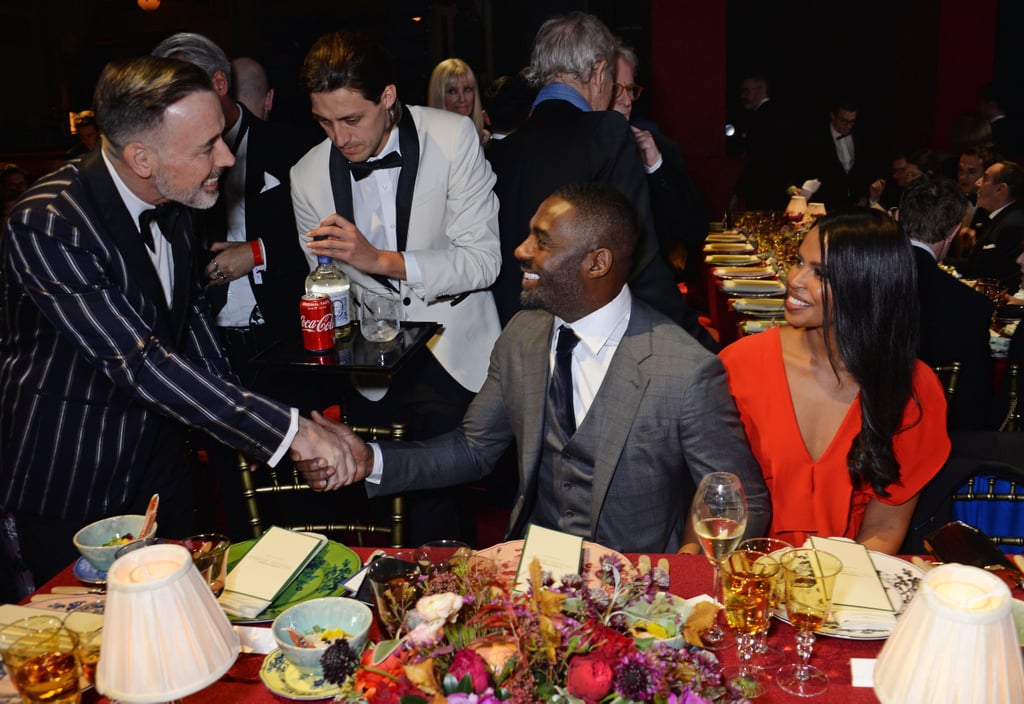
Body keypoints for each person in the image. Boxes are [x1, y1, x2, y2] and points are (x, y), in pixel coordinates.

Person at [0, 55, 348, 586]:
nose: (227, 157)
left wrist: (260, 435)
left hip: (162, 467)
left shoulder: (179, 198)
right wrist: (286, 433)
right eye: (207, 145)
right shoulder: (48, 222)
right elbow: (138, 362)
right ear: (141, 157)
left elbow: (194, 332)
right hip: (70, 478)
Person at [294, 182, 770, 554]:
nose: (520, 250)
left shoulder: (684, 370)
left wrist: (687, 568)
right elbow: (473, 449)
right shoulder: (523, 336)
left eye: (541, 242)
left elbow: (743, 501)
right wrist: (370, 461)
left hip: (637, 591)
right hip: (533, 571)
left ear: (597, 262)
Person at [289, 30, 503, 543]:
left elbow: (483, 262)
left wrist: (380, 260)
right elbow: (323, 280)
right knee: (379, 503)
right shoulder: (306, 175)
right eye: (324, 121)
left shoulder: (453, 138)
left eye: (351, 119)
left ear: (388, 98)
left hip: (453, 352)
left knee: (443, 511)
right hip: (371, 362)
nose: (338, 138)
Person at [720, 209, 950, 554]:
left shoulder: (913, 389)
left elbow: (884, 528)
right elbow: (714, 502)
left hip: (849, 584)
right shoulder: (739, 365)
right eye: (799, 261)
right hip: (748, 582)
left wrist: (833, 595)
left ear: (869, 286)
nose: (795, 279)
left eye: (821, 273)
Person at [486, 12, 715, 353]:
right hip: (589, 342)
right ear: (598, 72)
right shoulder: (605, 133)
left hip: (516, 342)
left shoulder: (500, 150)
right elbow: (638, 260)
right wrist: (700, 347)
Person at [899, 178, 995, 431]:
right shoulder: (971, 305)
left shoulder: (857, 278)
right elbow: (974, 403)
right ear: (953, 232)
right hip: (932, 433)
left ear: (898, 217)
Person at [611, 42, 708, 285]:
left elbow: (694, 230)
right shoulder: (579, 151)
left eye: (631, 89)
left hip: (652, 295)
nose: (627, 101)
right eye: (616, 89)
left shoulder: (661, 147)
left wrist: (656, 167)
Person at [791, 97, 876, 212]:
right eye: (843, 121)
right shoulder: (816, 138)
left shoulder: (860, 135)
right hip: (826, 204)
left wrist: (864, 195)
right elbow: (804, 169)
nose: (848, 126)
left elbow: (865, 167)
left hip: (855, 203)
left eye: (852, 122)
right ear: (833, 116)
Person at [731, 72, 791, 212]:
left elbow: (756, 159)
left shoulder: (760, 119)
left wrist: (737, 192)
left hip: (764, 191)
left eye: (746, 91)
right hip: (778, 189)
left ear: (761, 90)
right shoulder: (778, 113)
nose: (743, 96)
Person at [961, 160, 1024, 291]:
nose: (977, 183)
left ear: (1000, 189)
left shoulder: (1013, 224)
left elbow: (1001, 279)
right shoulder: (1000, 218)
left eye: (984, 178)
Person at [427, 58, 488, 145]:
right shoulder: (427, 144)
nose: (462, 99)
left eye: (467, 89)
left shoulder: (485, 142)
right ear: (438, 96)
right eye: (452, 91)